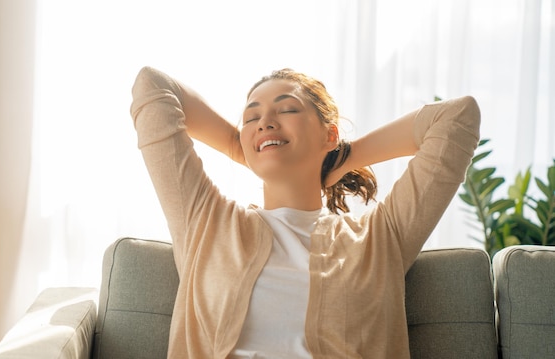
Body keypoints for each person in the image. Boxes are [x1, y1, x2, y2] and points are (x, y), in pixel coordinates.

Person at [130, 66, 480, 358]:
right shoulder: (206, 221)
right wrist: (242, 148)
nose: (265, 121)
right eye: (251, 117)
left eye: (286, 110)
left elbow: (457, 118)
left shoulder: (379, 238)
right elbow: (153, 86)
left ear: (330, 134)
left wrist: (344, 156)